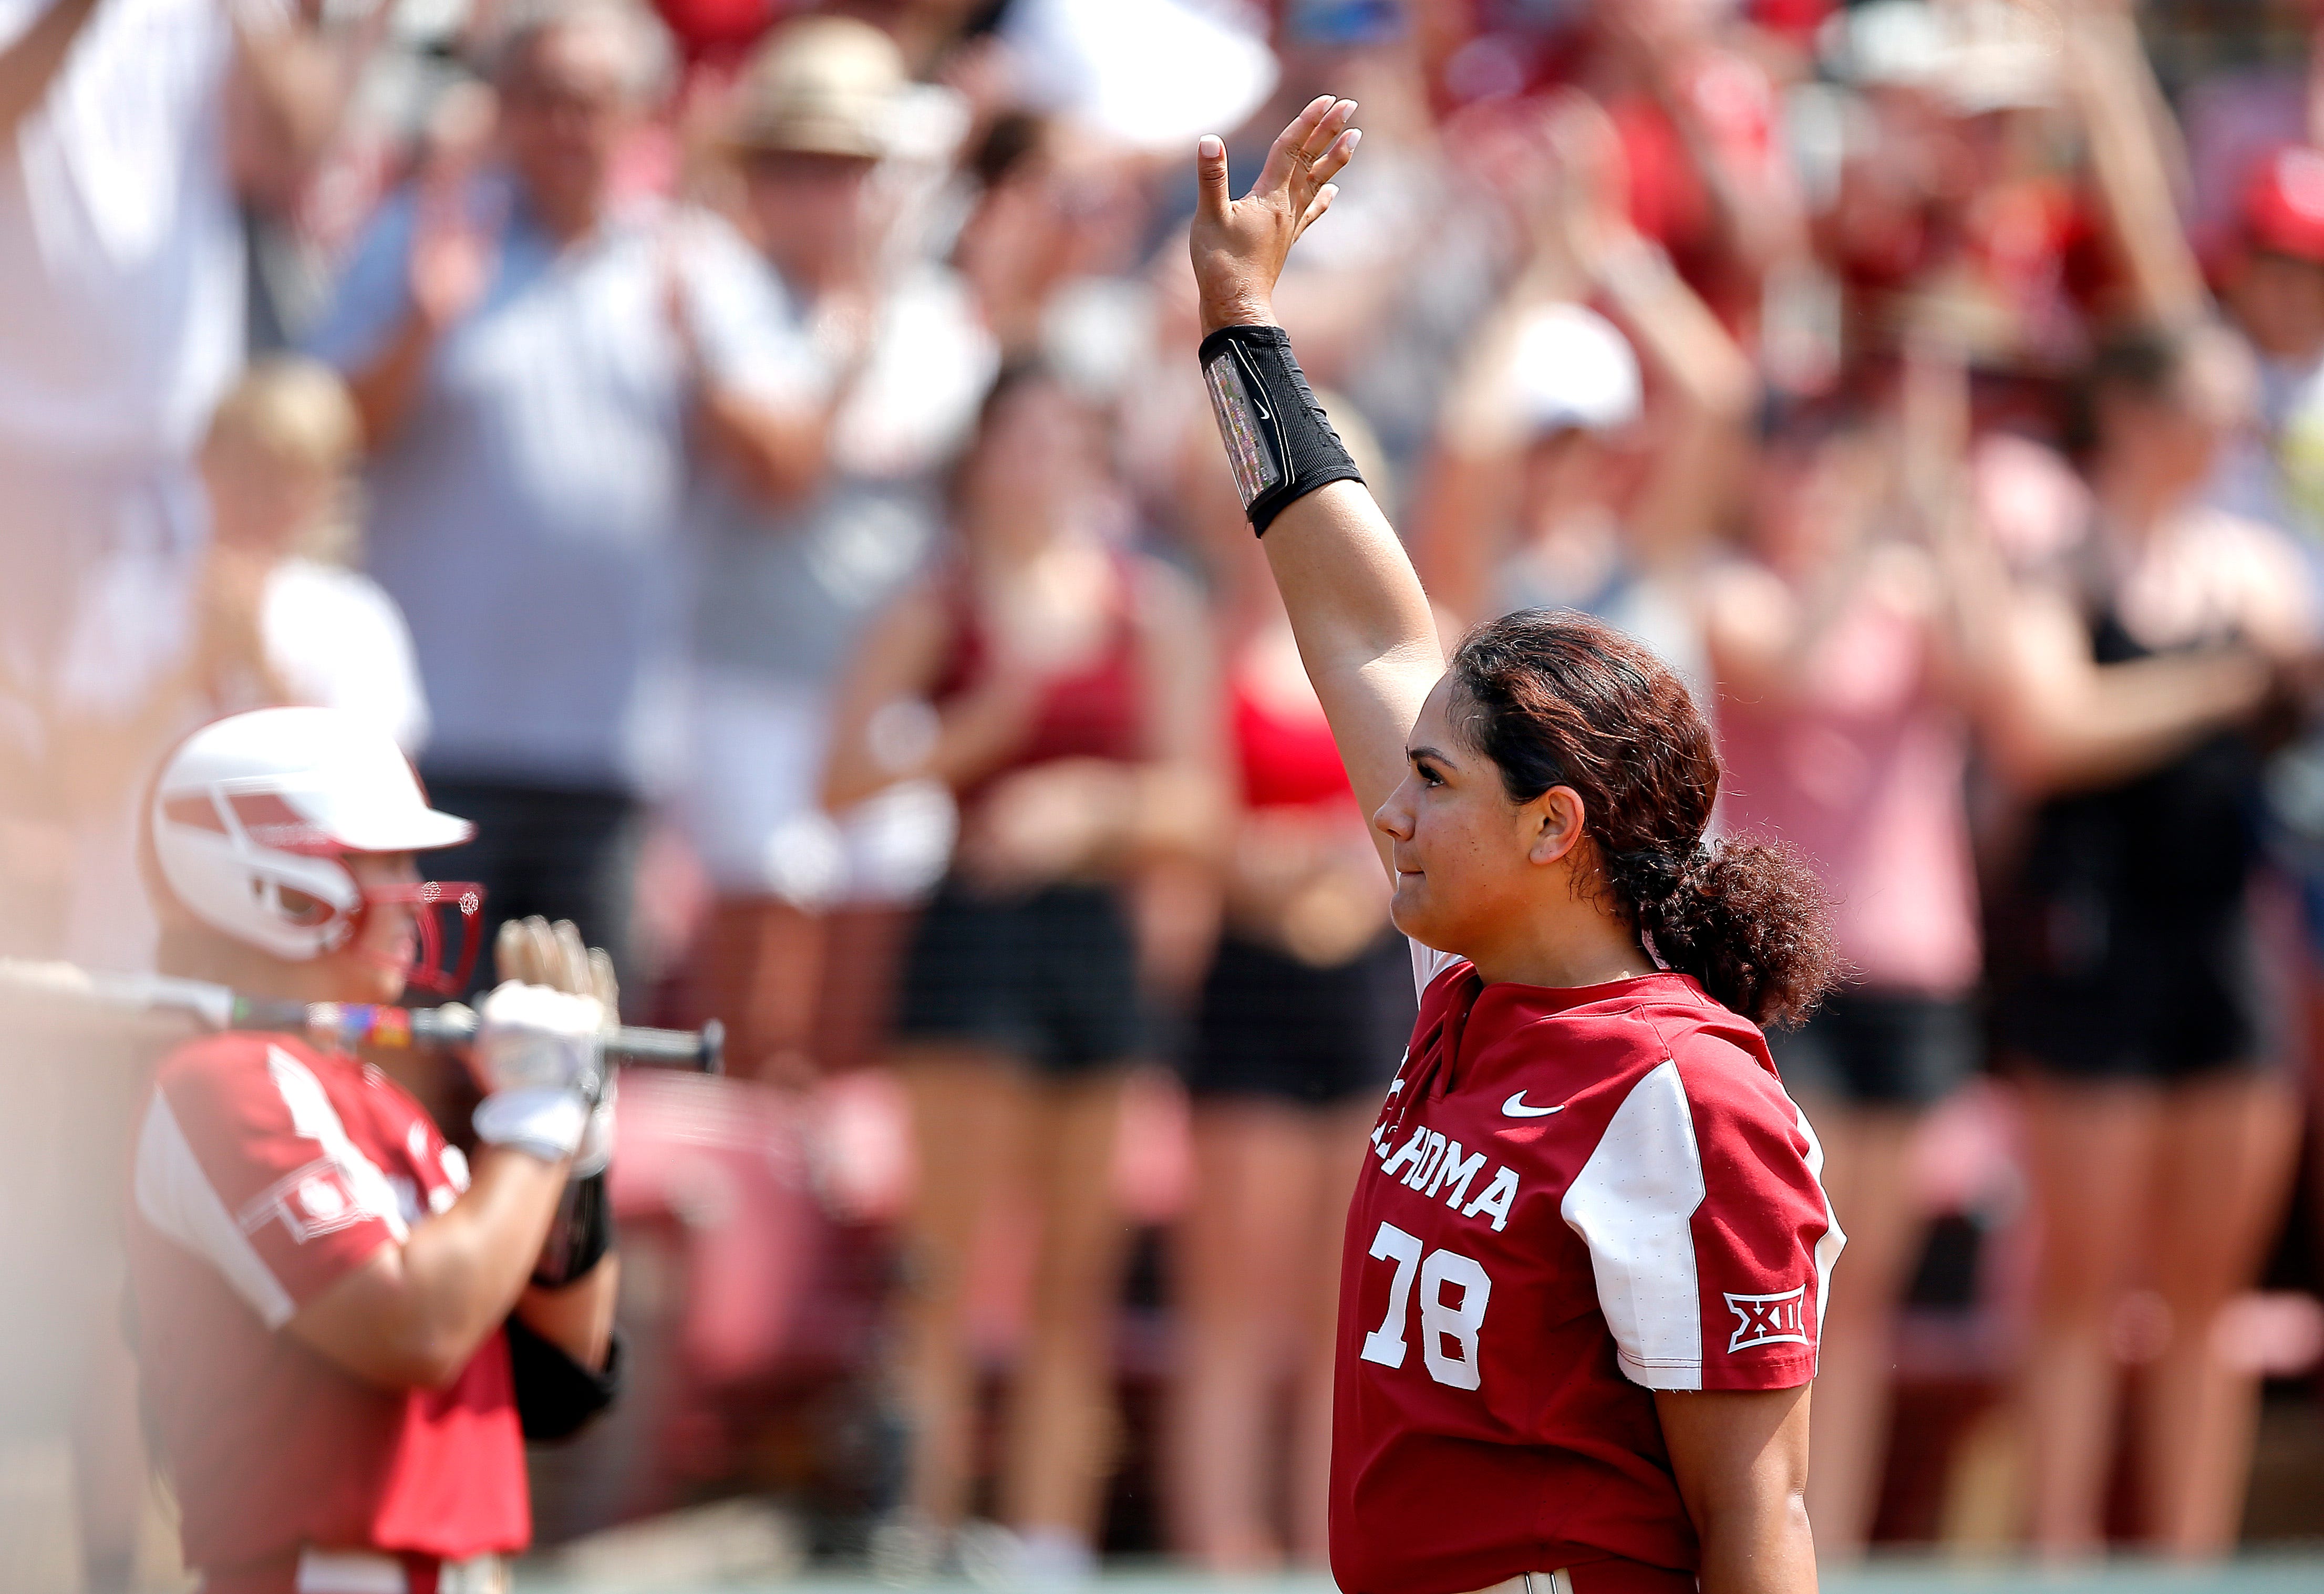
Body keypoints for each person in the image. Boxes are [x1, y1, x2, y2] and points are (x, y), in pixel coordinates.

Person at [1186, 98, 1844, 1594]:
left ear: (1555, 827)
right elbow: (1357, 618)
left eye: (1434, 781)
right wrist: (1241, 329)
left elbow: (1761, 1520)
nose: (1390, 813)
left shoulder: (1686, 1096)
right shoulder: (1466, 987)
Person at [306, 0, 823, 986]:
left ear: (639, 118)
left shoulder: (693, 264)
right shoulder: (423, 238)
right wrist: (420, 325)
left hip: (606, 755)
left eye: (591, 102)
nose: (566, 127)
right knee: (416, 1037)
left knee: (577, 1060)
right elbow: (326, 437)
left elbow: (789, 473)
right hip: (432, 745)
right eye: (542, 100)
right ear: (502, 109)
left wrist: (704, 367)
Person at [820, 362, 1221, 1589]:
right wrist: (971, 738)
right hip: (972, 942)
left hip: (1091, 947)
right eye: (1024, 433)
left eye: (1069, 432)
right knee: (940, 1266)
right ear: (981, 453)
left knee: (1075, 1276)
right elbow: (836, 781)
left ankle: (1047, 1548)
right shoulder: (936, 600)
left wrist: (1088, 808)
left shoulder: (1149, 607)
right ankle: (921, 1534)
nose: (1048, 457)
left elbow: (1201, 803)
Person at [126, 706, 621, 1593]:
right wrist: (536, 1120)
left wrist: (578, 1148)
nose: (416, 890)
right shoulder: (226, 1082)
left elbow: (558, 1373)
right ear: (272, 880)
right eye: (384, 860)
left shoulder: (380, 1100)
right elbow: (415, 1326)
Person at [1984, 325, 2318, 1556]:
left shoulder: (2248, 561)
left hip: (2223, 941)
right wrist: (2227, 682)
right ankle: (2060, 1555)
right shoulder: (2058, 558)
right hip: (2092, 944)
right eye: (2208, 407)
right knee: (2080, 1286)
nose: (2233, 433)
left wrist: (2222, 680)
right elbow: (2045, 727)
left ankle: (2190, 1561)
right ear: (2130, 413)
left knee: (2205, 1296)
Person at [1702, 354, 1999, 1559]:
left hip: (1918, 964)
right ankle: (1774, 1533)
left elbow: (1998, 678)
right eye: (1797, 456)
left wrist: (1938, 500)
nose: (1815, 480)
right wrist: (1872, 532)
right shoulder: (1735, 590)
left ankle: (1849, 1546)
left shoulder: (1909, 590)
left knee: (1866, 1290)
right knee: (1792, 1284)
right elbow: (1777, 667)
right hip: (1792, 974)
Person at [677, 14, 994, 1083]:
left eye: (848, 167)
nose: (825, 193)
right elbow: (782, 470)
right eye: (796, 166)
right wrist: (857, 329)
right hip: (746, 676)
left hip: (882, 690)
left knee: (859, 1013)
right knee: (755, 996)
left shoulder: (945, 318)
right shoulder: (716, 290)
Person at [1166, 412, 1414, 1573]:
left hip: (1368, 987)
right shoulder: (1205, 634)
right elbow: (1195, 820)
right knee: (1233, 1310)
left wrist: (1334, 869)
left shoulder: (1408, 642)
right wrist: (1306, 865)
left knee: (1345, 1313)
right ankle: (1224, 1550)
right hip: (1251, 985)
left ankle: (1334, 1556)